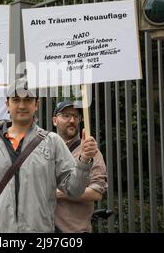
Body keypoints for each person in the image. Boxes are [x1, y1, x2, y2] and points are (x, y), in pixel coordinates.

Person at [0, 77, 98, 232]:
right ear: (7, 104)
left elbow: (75, 189)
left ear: (36, 104)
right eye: (16, 99)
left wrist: (84, 160)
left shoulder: (52, 142)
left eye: (28, 100)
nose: (22, 105)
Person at [52, 100, 107, 233]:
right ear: (55, 120)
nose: (72, 120)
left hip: (72, 230)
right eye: (66, 115)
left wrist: (58, 194)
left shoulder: (90, 152)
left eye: (76, 116)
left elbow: (96, 192)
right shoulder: (46, 149)